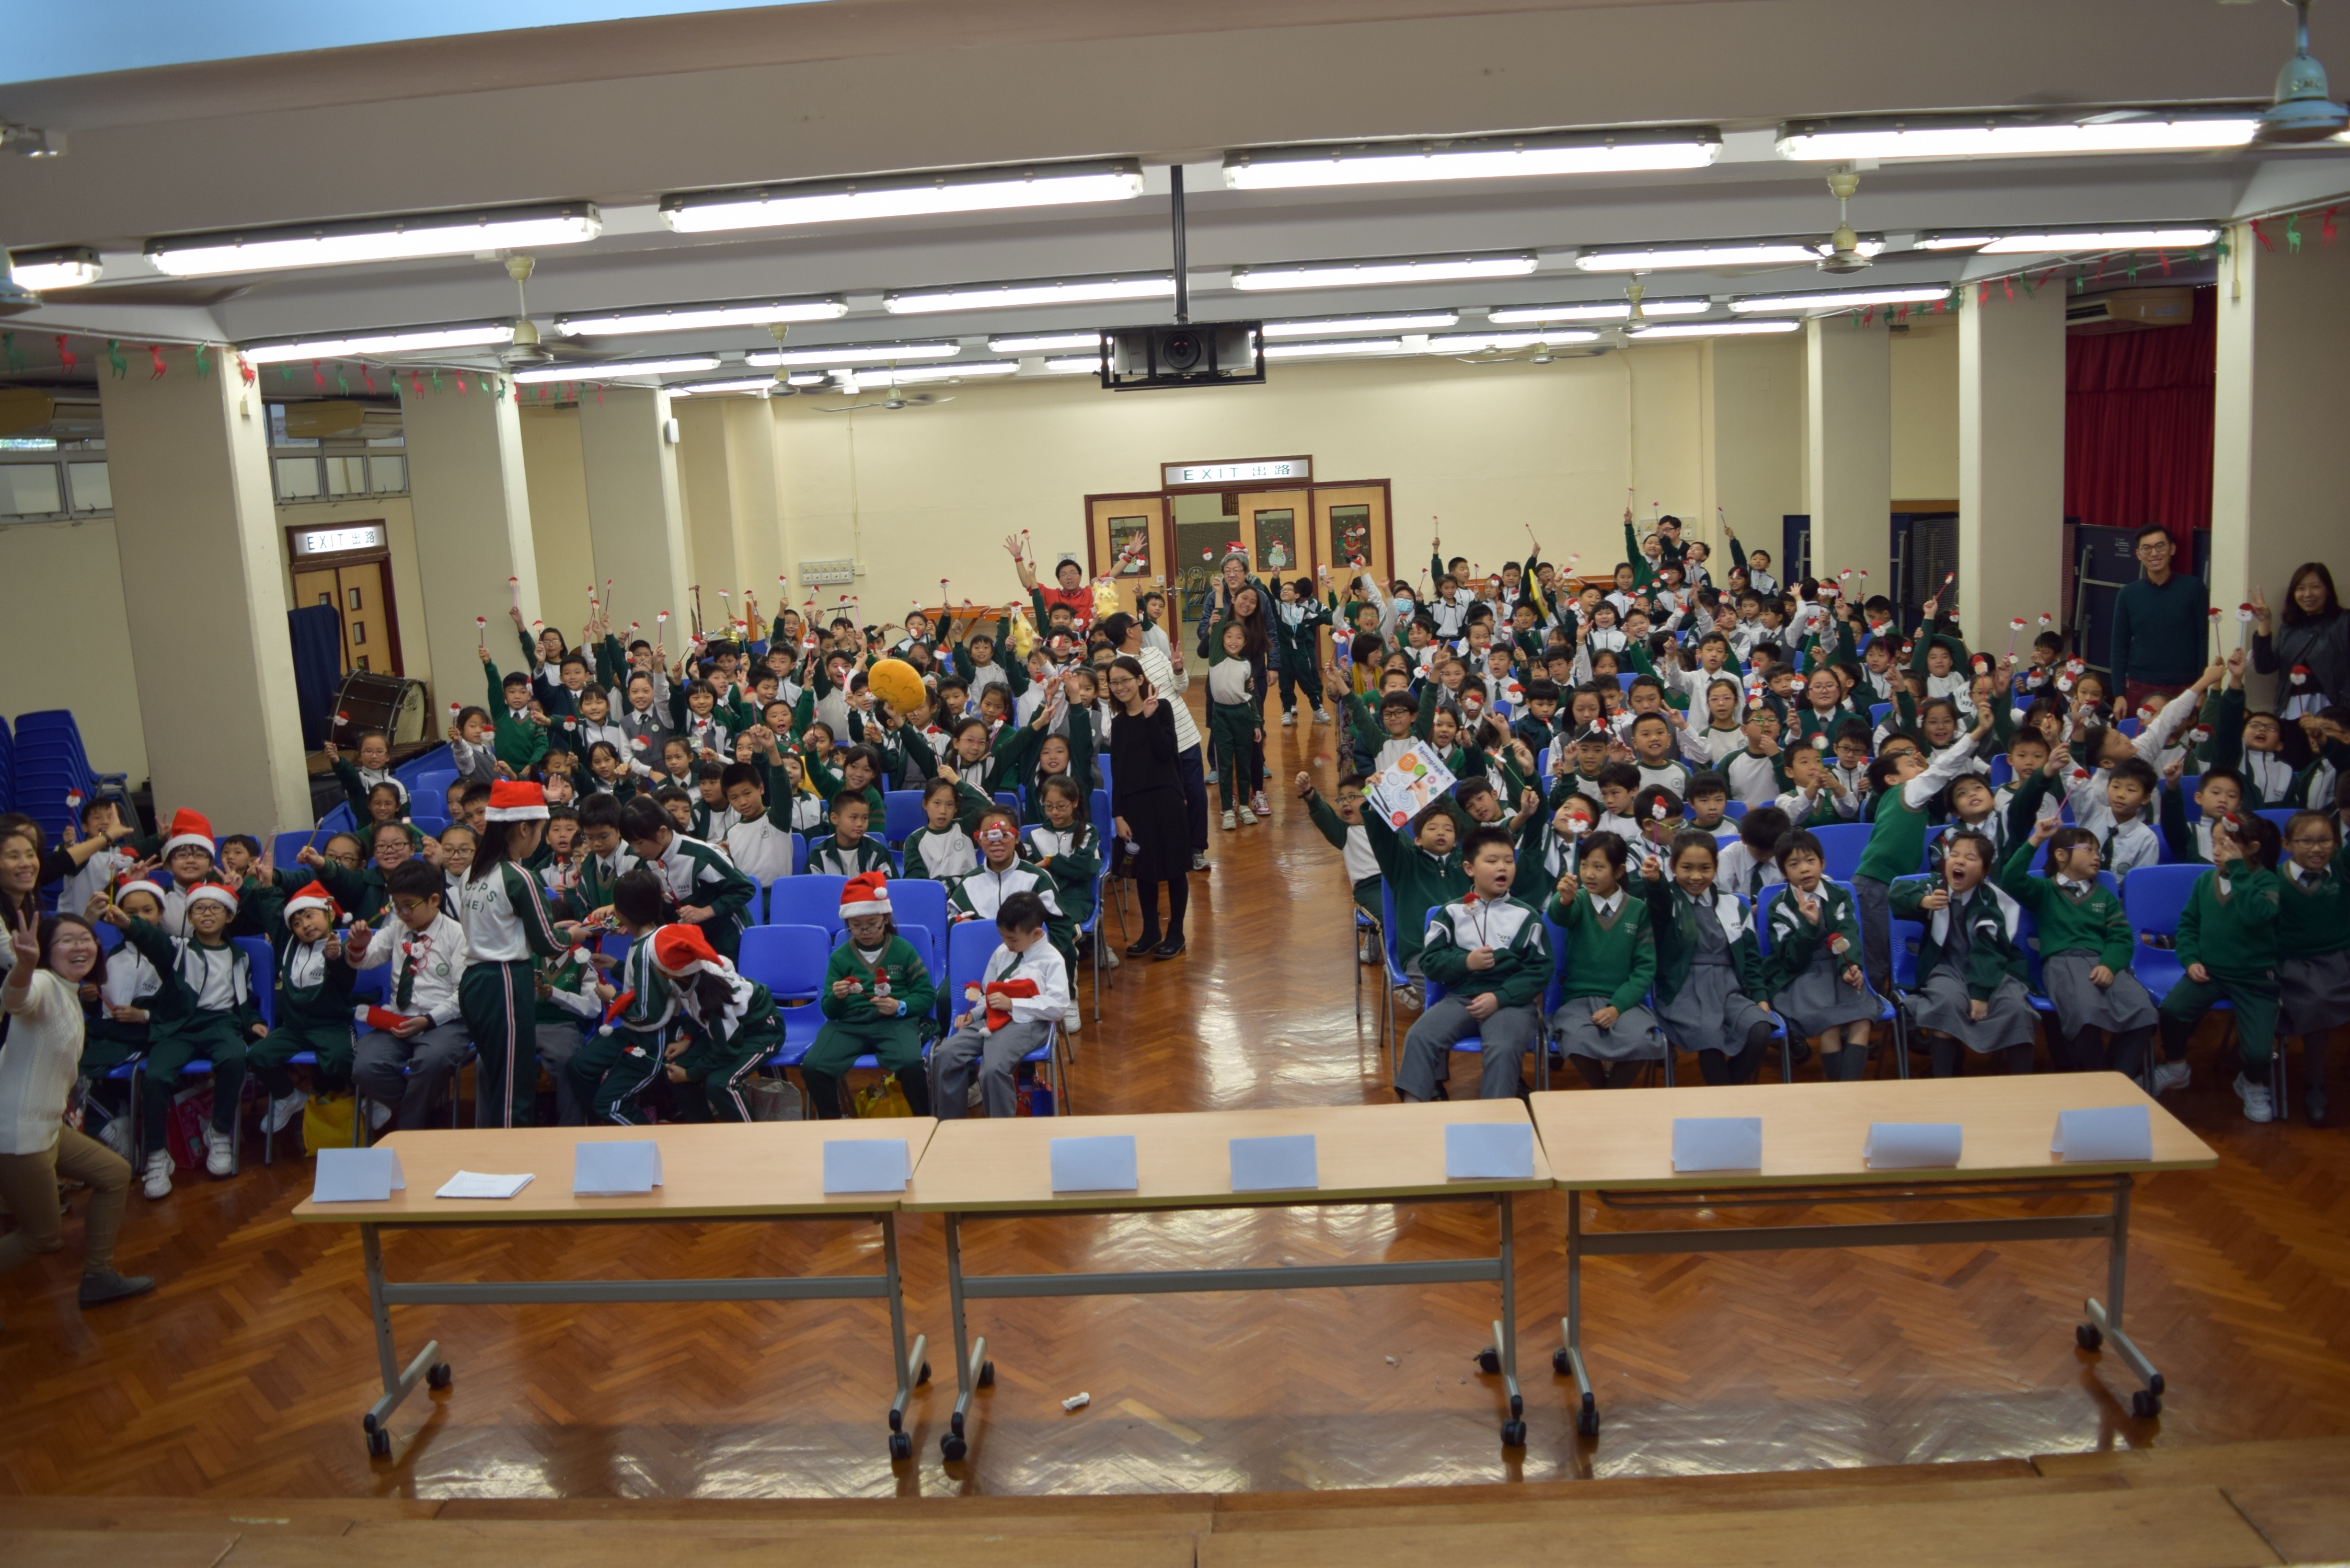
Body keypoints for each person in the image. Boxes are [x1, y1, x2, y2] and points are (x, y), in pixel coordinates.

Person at [1, 911, 153, 1326]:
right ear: (46, 951)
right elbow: (16, 999)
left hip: (47, 1125)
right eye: (66, 940)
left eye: (86, 938)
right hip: (17, 1133)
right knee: (41, 1236)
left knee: (114, 1173)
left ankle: (99, 1277)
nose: (80, 946)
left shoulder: (70, 991)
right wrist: (24, 967)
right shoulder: (44, 983)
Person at [1396, 826, 1551, 1102]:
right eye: (1492, 861)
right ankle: (1413, 1111)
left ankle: (1495, 1119)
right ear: (1469, 868)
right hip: (1461, 999)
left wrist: (1500, 997)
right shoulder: (1451, 913)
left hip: (1511, 1004)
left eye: (1509, 861)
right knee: (1420, 1037)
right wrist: (1465, 962)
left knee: (1503, 1048)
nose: (1502, 867)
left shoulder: (1526, 916)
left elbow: (1539, 970)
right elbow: (1430, 962)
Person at [1997, 820, 2157, 1077]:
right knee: (2086, 1014)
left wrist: (2110, 965)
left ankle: (2119, 1082)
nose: (2097, 856)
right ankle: (2100, 1081)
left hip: (2105, 962)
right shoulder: (2044, 890)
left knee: (2144, 1012)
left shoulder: (2104, 896)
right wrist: (2037, 839)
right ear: (2061, 855)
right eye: (2089, 849)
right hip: (2064, 963)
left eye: (2098, 851)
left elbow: (2121, 937)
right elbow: (2011, 877)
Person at [2154, 813, 2286, 1121]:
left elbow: (2255, 915)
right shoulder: (2204, 881)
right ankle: (2176, 1068)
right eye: (2214, 843)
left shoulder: (2267, 881)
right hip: (2211, 973)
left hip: (2255, 979)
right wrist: (2190, 960)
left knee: (2258, 1053)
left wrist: (2238, 870)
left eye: (2226, 845)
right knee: (2172, 1011)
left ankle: (2250, 1082)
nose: (2216, 851)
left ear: (2253, 848)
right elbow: (2188, 926)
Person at [455, 780, 567, 1128]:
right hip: (504, 980)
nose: (540, 839)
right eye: (540, 830)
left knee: (495, 1073)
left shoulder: (472, 872)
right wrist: (575, 934)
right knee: (514, 1084)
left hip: (473, 980)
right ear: (523, 828)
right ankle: (511, 1154)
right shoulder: (521, 877)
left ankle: (495, 1149)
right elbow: (549, 944)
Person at [1888, 828, 2038, 1077]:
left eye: (1970, 858)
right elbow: (1897, 892)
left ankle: (2022, 1084)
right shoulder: (1936, 886)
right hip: (1945, 967)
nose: (1959, 861)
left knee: (2016, 1008)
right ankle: (1945, 1078)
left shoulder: (1992, 900)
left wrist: (1980, 994)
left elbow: (1990, 952)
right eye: (1955, 855)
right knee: (1946, 1002)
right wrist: (1923, 902)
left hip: (1991, 971)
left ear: (1985, 871)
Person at [1641, 832, 1778, 1086]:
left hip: (1729, 989)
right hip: (1683, 990)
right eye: (1687, 868)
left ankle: (1725, 1096)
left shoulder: (1734, 904)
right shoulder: (1668, 901)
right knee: (1708, 1036)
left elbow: (1751, 958)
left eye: (1705, 868)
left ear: (1716, 867)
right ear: (1673, 866)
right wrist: (1655, 882)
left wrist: (1760, 996)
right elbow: (1659, 904)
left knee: (1760, 1031)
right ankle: (1726, 1101)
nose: (1696, 876)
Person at [347, 859, 473, 1134]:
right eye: (396, 905)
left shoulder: (457, 934)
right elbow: (364, 961)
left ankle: (409, 1128)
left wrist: (428, 1020)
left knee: (432, 1062)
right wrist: (358, 947)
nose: (402, 913)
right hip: (398, 1019)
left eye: (408, 905)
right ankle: (422, 1113)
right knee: (365, 1067)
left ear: (434, 900)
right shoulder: (396, 930)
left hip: (443, 1022)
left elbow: (463, 994)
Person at [802, 872, 936, 1119]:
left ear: (885, 918)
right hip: (850, 1025)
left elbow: (927, 995)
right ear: (847, 923)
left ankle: (923, 1120)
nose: (865, 931)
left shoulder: (903, 949)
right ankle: (833, 1122)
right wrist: (837, 997)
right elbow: (829, 1011)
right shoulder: (840, 956)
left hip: (894, 1022)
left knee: (911, 1064)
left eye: (873, 924)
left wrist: (900, 1006)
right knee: (813, 1066)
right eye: (856, 926)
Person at [1546, 831, 1667, 1087]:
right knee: (1577, 1041)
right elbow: (1560, 916)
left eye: (1599, 867)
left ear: (1619, 871)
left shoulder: (1637, 909)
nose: (1589, 874)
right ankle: (1605, 1095)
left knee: (1642, 1042)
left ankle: (1608, 1096)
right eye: (1584, 865)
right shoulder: (1578, 900)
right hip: (1578, 1000)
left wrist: (1616, 1008)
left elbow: (1645, 968)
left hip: (1623, 1001)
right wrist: (1563, 900)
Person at [935, 891, 1065, 1119]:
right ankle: (951, 1125)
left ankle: (1000, 1130)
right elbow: (988, 993)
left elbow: (1058, 1006)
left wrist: (1013, 1004)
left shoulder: (1052, 960)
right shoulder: (1003, 952)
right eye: (1003, 936)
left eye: (1012, 939)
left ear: (1036, 933)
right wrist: (974, 1016)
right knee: (945, 1055)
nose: (1006, 943)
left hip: (1028, 1024)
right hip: (992, 1020)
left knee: (993, 1069)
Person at [1765, 829, 1878, 1080]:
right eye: (1794, 864)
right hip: (1802, 974)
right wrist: (1810, 926)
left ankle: (1847, 1090)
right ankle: (1839, 1090)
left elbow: (1849, 934)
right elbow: (1790, 958)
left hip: (1839, 967)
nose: (1805, 869)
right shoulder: (1779, 906)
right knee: (1830, 1023)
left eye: (1810, 861)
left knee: (1862, 1019)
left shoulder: (1839, 895)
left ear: (1822, 863)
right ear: (1784, 872)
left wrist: (1850, 967)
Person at [1101, 612, 1209, 869]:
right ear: (1130, 631)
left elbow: (1181, 687)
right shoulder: (1119, 668)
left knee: (1196, 795)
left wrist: (1178, 670)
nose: (1142, 628)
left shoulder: (1155, 654)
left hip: (1185, 735)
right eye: (1138, 624)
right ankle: (1171, 853)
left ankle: (1196, 849)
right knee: (1168, 802)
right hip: (1154, 746)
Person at [646, 923, 780, 1123]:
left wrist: (690, 1075)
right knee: (674, 1068)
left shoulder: (714, 999)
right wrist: (688, 1039)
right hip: (728, 1032)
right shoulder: (688, 974)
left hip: (762, 1032)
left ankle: (750, 1136)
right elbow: (696, 1011)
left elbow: (727, 1049)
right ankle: (703, 1130)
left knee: (720, 1085)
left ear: (668, 971)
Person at [1104, 655, 1190, 959]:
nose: (1120, 687)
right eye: (1114, 683)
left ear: (1140, 679)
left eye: (1125, 680)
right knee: (1144, 871)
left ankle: (1176, 932)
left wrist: (1150, 718)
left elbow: (1166, 753)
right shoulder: (1118, 724)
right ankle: (1151, 930)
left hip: (1166, 798)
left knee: (1175, 868)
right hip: (1135, 804)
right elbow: (1118, 772)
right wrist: (1118, 814)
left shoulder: (1161, 708)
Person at [2277, 809, 2349, 1126]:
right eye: (2306, 841)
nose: (2317, 849)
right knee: (2317, 1001)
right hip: (2296, 962)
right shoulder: (2275, 880)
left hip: (2341, 956)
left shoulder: (2343, 870)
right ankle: (2315, 1083)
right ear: (2288, 845)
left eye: (2325, 841)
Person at [2109, 525, 2209, 712]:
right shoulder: (2128, 594)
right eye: (2147, 548)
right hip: (2141, 685)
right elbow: (2119, 645)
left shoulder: (2194, 588)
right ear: (2138, 554)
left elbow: (2204, 639)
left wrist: (2202, 687)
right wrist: (2119, 694)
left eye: (2160, 546)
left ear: (2172, 549)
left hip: (2186, 687)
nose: (2154, 554)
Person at [2252, 564, 2348, 714]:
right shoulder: (2289, 629)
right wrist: (2265, 622)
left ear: (2328, 590)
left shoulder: (2344, 622)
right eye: (2301, 588)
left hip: (2334, 709)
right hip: (2291, 709)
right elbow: (2264, 667)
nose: (2308, 594)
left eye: (2315, 587)